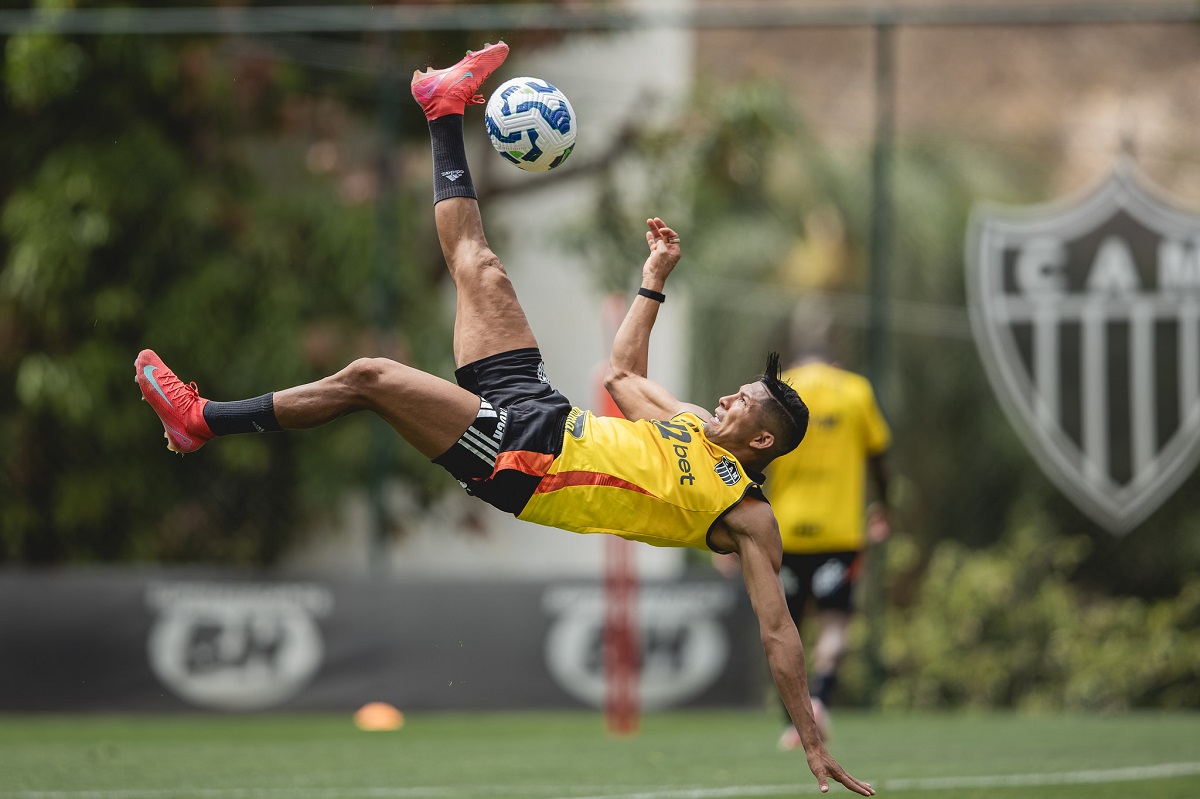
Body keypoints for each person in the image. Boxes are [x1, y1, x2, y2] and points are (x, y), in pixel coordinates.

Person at [134, 42, 874, 797]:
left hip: (529, 463)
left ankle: (200, 419)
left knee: (371, 378)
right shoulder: (686, 422)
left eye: (743, 401)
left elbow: (779, 631)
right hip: (541, 411)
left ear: (759, 440)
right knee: (478, 262)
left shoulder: (747, 513)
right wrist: (651, 284)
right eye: (740, 388)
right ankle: (443, 108)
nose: (729, 396)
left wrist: (811, 737)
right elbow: (620, 375)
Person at [767, 339, 892, 751]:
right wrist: (884, 506)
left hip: (781, 530)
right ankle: (819, 697)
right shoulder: (855, 390)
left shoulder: (776, 390)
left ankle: (793, 721)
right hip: (840, 531)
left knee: (784, 625)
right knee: (836, 622)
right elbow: (879, 456)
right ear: (834, 362)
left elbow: (754, 455)